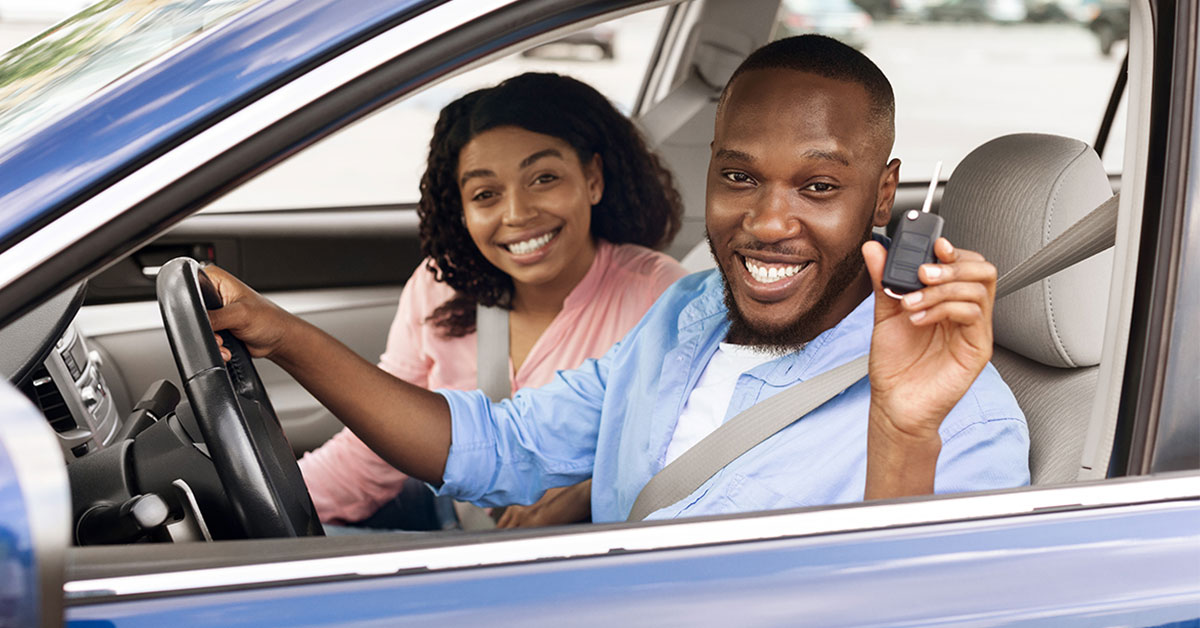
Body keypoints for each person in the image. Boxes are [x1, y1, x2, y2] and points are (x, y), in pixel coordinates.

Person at [208, 35, 1029, 524]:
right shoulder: (688, 312)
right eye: (741, 178)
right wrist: (280, 334)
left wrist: (904, 432)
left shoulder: (962, 415)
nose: (770, 222)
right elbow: (502, 444)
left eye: (818, 187)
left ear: (883, 194)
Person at [296, 72, 687, 529]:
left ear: (593, 179)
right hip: (454, 516)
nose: (518, 214)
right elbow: (370, 455)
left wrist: (584, 492)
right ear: (463, 211)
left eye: (544, 178)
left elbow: (682, 450)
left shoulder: (658, 294)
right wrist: (255, 510)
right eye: (486, 194)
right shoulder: (440, 285)